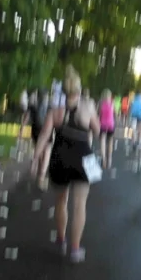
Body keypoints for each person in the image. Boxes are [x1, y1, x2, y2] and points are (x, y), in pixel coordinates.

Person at [32, 66, 101, 263]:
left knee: (61, 201)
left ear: (63, 90)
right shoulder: (87, 106)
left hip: (60, 158)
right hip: (83, 159)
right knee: (80, 205)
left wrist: (36, 158)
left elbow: (45, 136)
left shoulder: (55, 110)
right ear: (79, 89)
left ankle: (61, 241)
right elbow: (97, 131)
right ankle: (75, 249)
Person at [98, 89, 115, 169]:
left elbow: (98, 114)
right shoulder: (112, 103)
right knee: (110, 142)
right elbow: (113, 113)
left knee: (103, 141)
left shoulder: (100, 104)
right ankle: (110, 160)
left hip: (103, 124)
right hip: (111, 124)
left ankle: (103, 159)